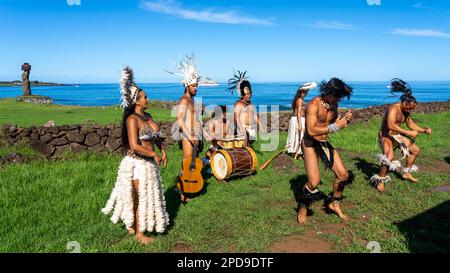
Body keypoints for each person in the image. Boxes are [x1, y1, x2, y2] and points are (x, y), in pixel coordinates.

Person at [101, 66, 169, 245]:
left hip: (149, 164)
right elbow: (133, 145)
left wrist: (162, 150)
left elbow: (156, 136)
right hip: (137, 164)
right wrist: (153, 153)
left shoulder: (148, 116)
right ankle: (139, 234)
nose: (148, 99)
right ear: (137, 102)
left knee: (144, 197)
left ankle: (134, 226)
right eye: (145, 97)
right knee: (138, 198)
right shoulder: (132, 120)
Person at [297, 78, 354, 224]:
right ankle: (303, 208)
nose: (338, 99)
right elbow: (310, 130)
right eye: (337, 96)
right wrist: (336, 127)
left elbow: (331, 123)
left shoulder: (334, 104)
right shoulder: (312, 105)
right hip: (309, 143)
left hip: (323, 142)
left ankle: (334, 203)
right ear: (328, 92)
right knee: (314, 182)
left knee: (343, 175)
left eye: (340, 97)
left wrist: (345, 121)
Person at [369, 78, 432, 192]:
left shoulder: (405, 110)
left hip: (397, 136)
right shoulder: (393, 108)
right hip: (386, 135)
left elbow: (411, 124)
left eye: (412, 108)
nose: (409, 110)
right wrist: (409, 133)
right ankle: (380, 181)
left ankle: (406, 173)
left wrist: (423, 130)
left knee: (415, 151)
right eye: (408, 107)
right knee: (388, 158)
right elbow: (391, 125)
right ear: (404, 103)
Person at [170, 54, 204, 202]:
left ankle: (186, 189)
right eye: (193, 86)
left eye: (196, 85)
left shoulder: (193, 99)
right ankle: (181, 191)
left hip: (195, 135)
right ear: (187, 86)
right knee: (186, 163)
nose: (196, 88)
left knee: (192, 164)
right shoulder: (184, 100)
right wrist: (190, 136)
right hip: (187, 136)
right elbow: (179, 119)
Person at [226, 70, 265, 146]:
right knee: (244, 145)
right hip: (242, 128)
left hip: (251, 128)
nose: (249, 95)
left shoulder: (252, 105)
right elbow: (236, 118)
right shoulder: (238, 104)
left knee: (248, 145)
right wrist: (242, 130)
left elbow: (255, 116)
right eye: (247, 94)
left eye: (250, 93)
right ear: (242, 94)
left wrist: (261, 125)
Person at [286, 82, 317, 159]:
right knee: (300, 135)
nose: (305, 93)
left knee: (297, 135)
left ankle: (297, 152)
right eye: (304, 92)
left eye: (306, 92)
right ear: (300, 92)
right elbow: (299, 112)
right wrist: (300, 124)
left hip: (295, 119)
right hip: (298, 119)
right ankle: (298, 153)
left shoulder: (297, 99)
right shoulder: (300, 100)